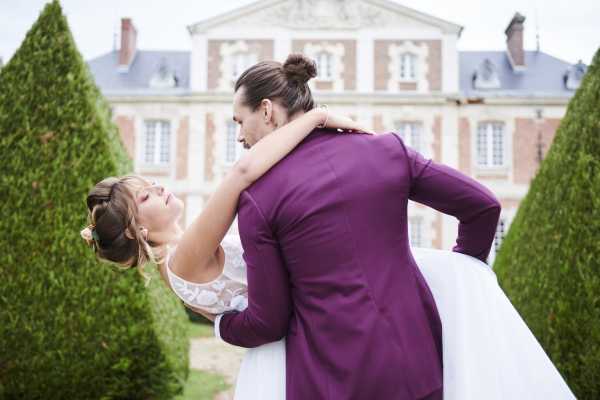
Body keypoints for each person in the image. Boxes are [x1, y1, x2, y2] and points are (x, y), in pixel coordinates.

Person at [82, 54, 575, 400]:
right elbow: (484, 207)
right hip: (418, 354)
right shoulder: (385, 148)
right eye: (144, 194)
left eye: (239, 121)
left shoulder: (257, 200)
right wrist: (463, 276)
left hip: (327, 375)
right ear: (135, 228)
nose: (238, 135)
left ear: (268, 111)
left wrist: (226, 326)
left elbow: (270, 316)